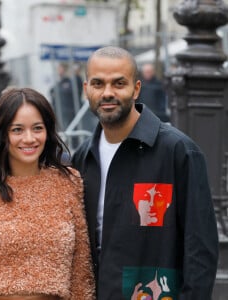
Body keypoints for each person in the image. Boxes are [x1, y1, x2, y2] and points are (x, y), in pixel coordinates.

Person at [71, 46, 219, 299]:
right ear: (86, 89)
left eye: (119, 83)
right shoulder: (82, 158)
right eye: (98, 83)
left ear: (136, 88)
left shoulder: (178, 151)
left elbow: (200, 250)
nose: (107, 93)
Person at [0, 87, 95, 300]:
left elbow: (81, 272)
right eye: (17, 130)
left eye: (37, 128)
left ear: (48, 132)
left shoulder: (68, 183)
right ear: (3, 133)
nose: (29, 138)